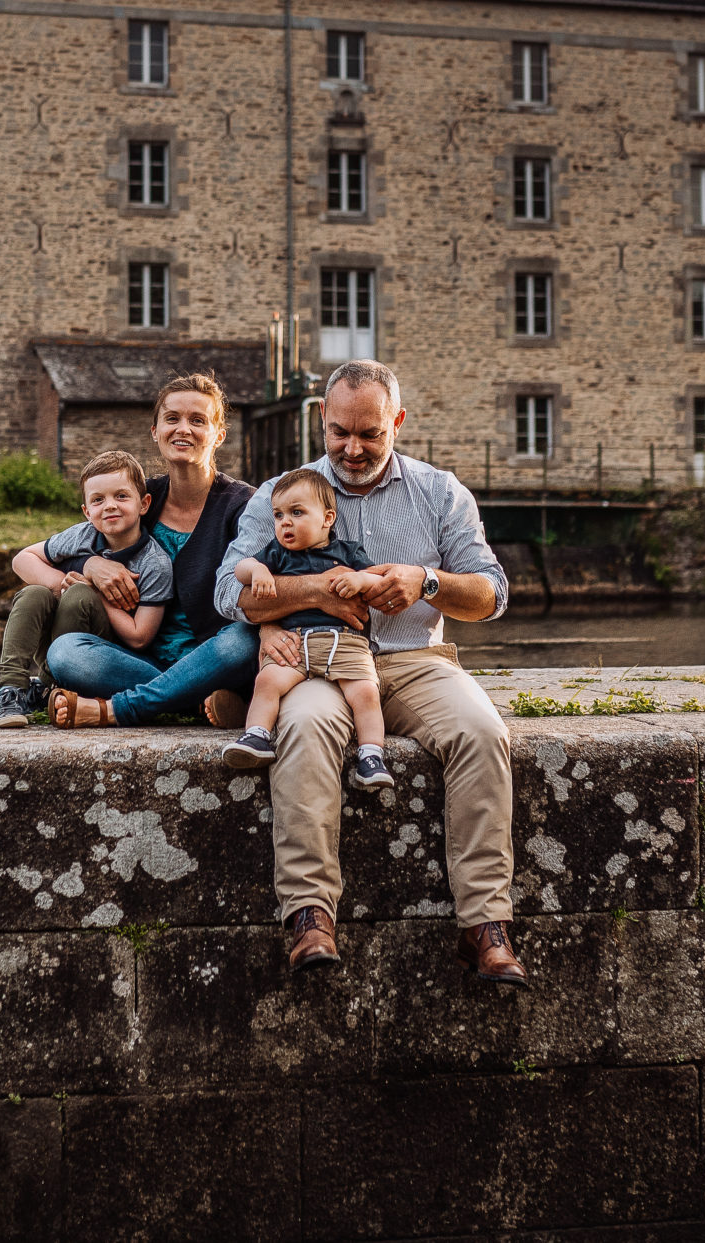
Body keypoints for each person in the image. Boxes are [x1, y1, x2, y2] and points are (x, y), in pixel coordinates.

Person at [213, 359, 526, 987]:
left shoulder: (440, 493)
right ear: (321, 422)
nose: (352, 449)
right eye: (339, 433)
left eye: (370, 434)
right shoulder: (282, 493)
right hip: (317, 664)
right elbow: (229, 592)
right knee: (301, 731)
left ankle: (484, 925)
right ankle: (309, 916)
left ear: (398, 423)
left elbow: (492, 595)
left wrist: (425, 580)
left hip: (414, 662)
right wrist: (318, 595)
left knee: (481, 732)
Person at [0, 374, 261, 728]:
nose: (183, 429)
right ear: (155, 431)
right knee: (65, 653)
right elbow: (62, 548)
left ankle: (127, 706)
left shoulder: (244, 505)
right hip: (135, 660)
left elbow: (264, 584)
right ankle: (192, 701)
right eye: (172, 418)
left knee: (242, 641)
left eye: (198, 420)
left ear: (219, 435)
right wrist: (91, 565)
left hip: (209, 657)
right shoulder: (134, 498)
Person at [221, 469, 393, 790]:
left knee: (365, 693)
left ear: (327, 518)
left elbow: (377, 580)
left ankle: (372, 755)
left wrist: (359, 579)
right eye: (278, 515)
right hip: (296, 644)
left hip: (345, 643)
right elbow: (239, 568)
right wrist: (257, 569)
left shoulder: (348, 552)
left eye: (296, 513)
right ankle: (257, 735)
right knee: (268, 680)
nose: (285, 522)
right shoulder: (276, 554)